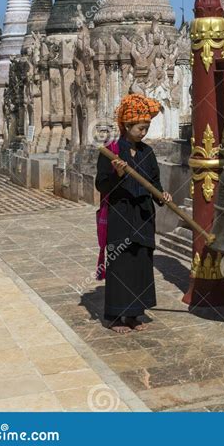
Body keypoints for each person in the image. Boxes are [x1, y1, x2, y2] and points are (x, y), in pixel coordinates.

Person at [95, 94, 173, 334]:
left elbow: (154, 183)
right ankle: (116, 316)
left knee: (140, 263)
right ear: (126, 126)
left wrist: (163, 196)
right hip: (121, 215)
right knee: (121, 263)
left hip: (142, 215)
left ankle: (134, 313)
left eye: (147, 128)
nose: (144, 132)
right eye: (140, 128)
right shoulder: (111, 152)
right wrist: (117, 175)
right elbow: (101, 184)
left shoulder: (148, 153)